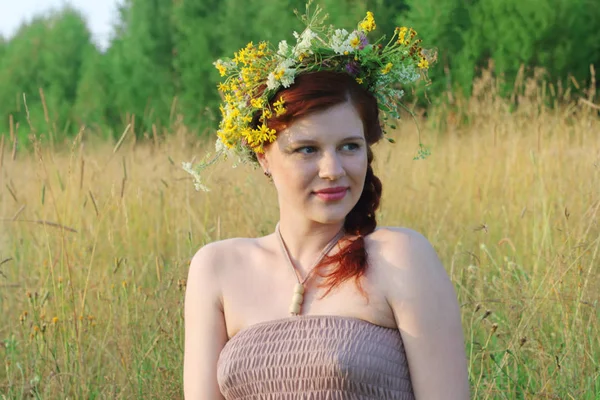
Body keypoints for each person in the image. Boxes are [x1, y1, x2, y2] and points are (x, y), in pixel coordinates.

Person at [183, 5, 469, 399]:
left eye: (349, 146)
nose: (333, 169)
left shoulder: (401, 258)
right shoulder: (216, 268)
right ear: (264, 156)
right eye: (306, 149)